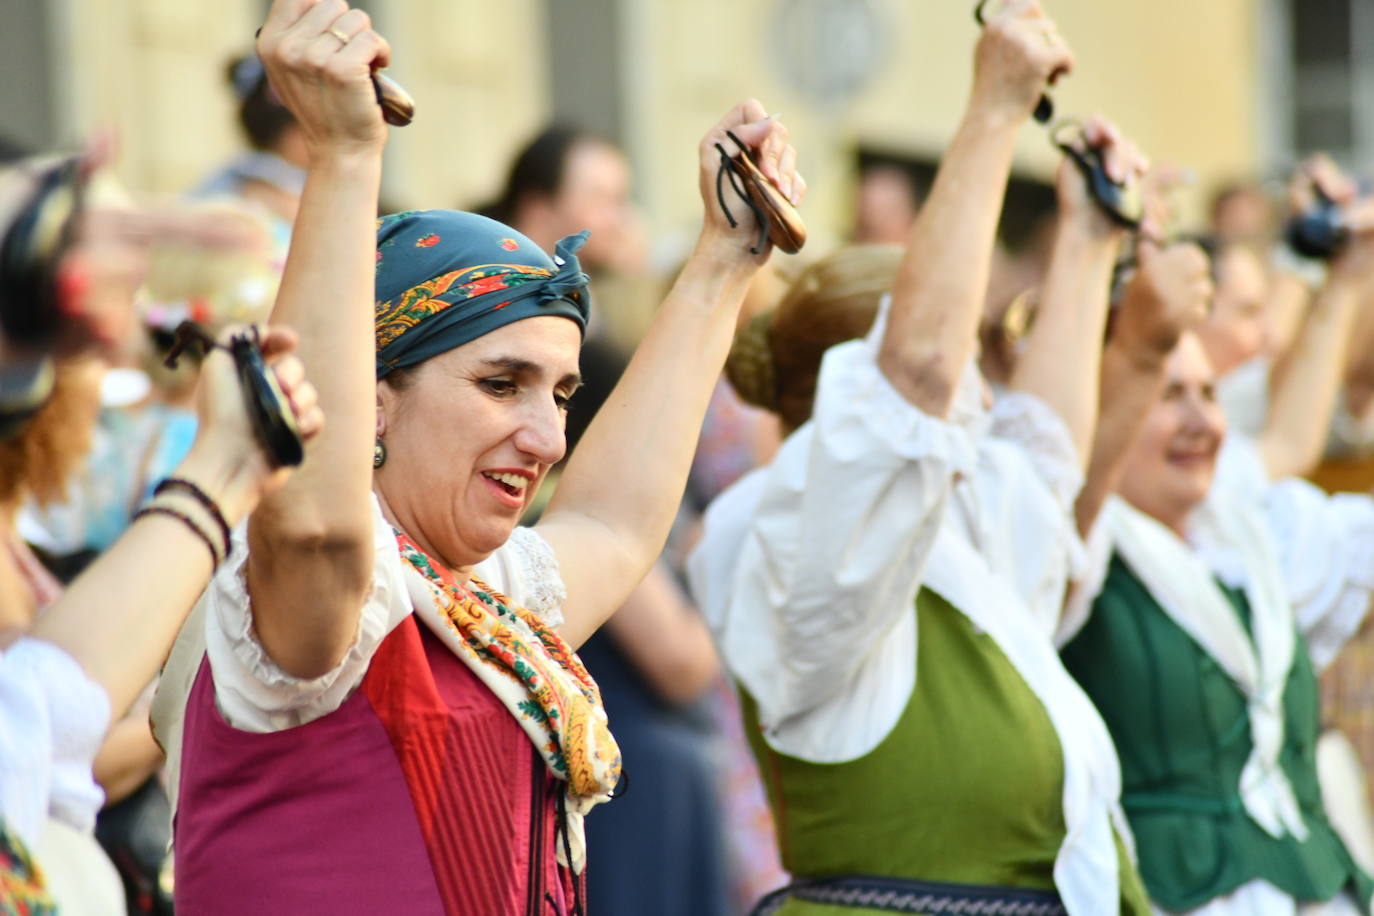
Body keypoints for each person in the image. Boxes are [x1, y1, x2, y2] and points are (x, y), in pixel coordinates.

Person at [149, 1, 805, 913]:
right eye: (502, 385)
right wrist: (344, 155)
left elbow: (611, 522)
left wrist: (726, 260)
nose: (547, 438)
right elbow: (314, 530)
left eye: (562, 394)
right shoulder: (303, 603)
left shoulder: (475, 595)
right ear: (372, 398)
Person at [689, 2, 1155, 912]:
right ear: (854, 393)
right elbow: (920, 370)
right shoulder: (777, 529)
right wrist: (993, 110)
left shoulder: (953, 513)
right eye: (966, 350)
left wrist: (1092, 241)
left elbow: (1045, 453)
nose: (980, 382)